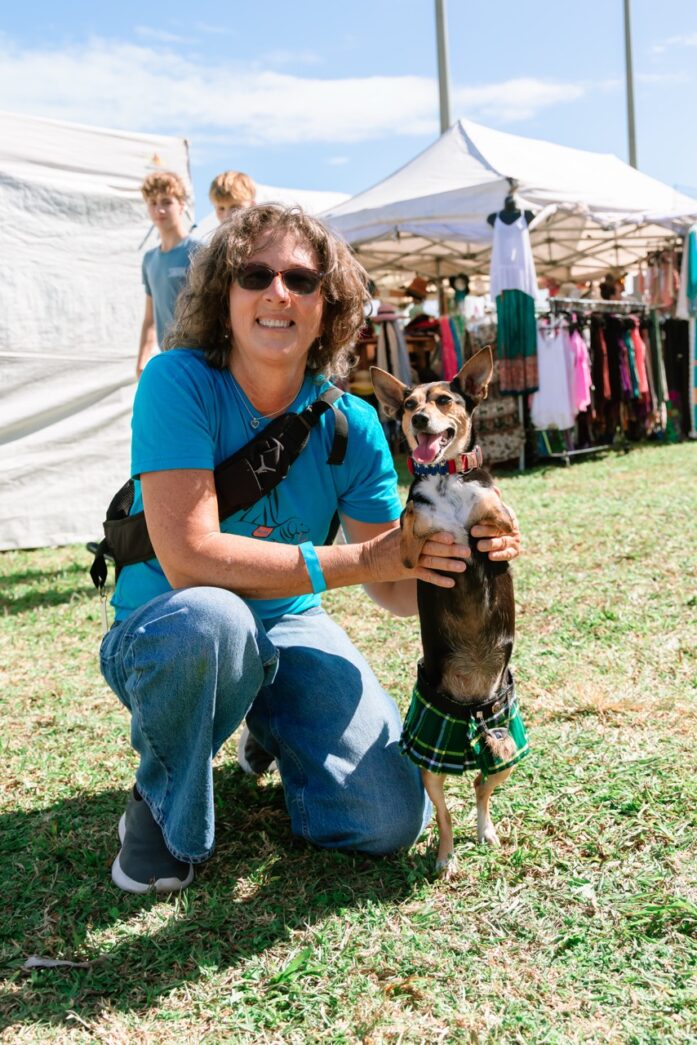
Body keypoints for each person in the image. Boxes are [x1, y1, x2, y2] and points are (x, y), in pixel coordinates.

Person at [99, 204, 521, 894]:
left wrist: (468, 556)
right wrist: (365, 560)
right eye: (254, 273)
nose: (277, 292)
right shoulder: (177, 382)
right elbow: (189, 559)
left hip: (290, 625)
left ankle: (270, 720)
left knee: (389, 818)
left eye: (301, 278)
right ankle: (159, 802)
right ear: (221, 294)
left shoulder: (349, 425)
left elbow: (392, 586)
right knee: (214, 618)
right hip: (171, 626)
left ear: (330, 306)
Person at [137, 171, 197, 378]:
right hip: (169, 360)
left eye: (166, 202)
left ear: (181, 205)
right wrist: (142, 359)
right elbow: (150, 319)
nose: (159, 209)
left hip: (199, 360)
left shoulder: (199, 252)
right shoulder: (149, 260)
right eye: (152, 203)